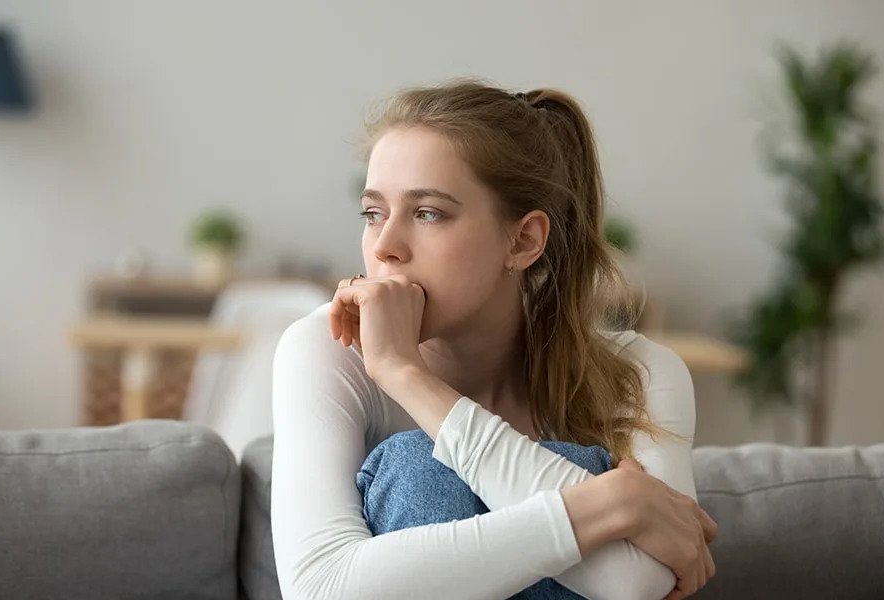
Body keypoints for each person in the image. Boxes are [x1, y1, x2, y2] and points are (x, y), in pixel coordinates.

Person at [271, 79, 718, 600]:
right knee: (417, 467)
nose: (386, 247)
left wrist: (411, 380)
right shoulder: (327, 350)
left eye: (427, 213)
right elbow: (320, 590)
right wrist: (608, 504)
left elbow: (637, 583)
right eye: (374, 213)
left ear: (523, 240)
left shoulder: (639, 374)